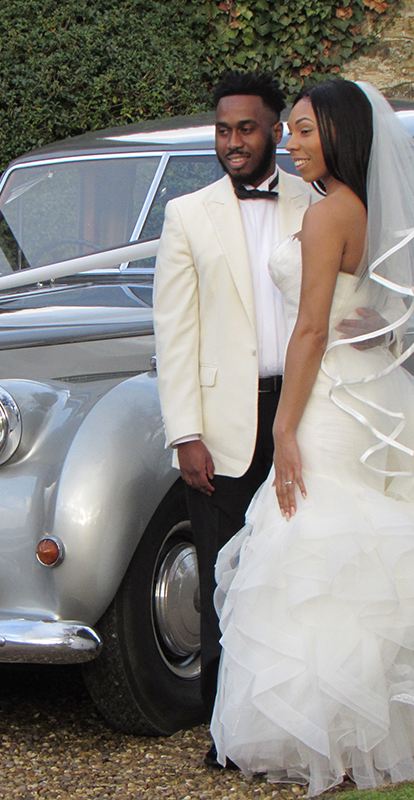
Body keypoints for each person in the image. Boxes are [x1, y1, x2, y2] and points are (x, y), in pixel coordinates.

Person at [210, 79, 414, 796]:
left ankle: (332, 740)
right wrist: (382, 330)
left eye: (301, 130)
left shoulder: (330, 215)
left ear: (336, 131)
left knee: (318, 552)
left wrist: (284, 424)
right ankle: (359, 739)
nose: (289, 143)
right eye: (290, 131)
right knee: (351, 558)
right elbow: (380, 305)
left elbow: (310, 328)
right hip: (368, 391)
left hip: (329, 399)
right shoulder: (362, 210)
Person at [152, 71, 316, 765]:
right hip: (220, 428)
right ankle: (226, 738)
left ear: (276, 129)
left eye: (247, 128)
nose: (233, 141)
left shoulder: (316, 203)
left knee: (301, 576)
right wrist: (184, 432)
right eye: (223, 129)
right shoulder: (188, 214)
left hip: (304, 416)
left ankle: (298, 730)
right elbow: (174, 333)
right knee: (224, 582)